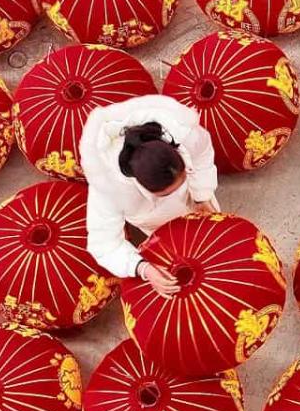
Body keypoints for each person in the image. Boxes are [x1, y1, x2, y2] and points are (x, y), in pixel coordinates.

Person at [80, 94, 219, 298]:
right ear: (142, 185)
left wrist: (202, 196)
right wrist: (144, 268)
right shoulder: (109, 187)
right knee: (179, 260)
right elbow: (104, 244)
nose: (175, 194)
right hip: (155, 223)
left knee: (216, 248)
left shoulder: (184, 133)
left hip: (197, 201)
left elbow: (203, 157)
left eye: (182, 180)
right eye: (167, 193)